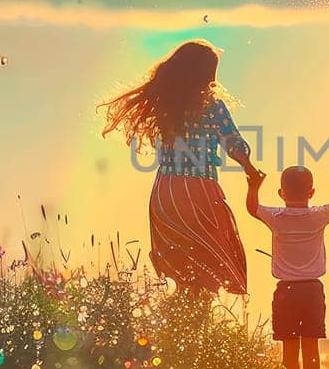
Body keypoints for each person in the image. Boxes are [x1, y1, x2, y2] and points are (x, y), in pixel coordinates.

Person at [100, 40, 255, 297]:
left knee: (181, 267)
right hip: (199, 190)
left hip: (166, 191)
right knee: (211, 262)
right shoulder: (213, 106)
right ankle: (198, 326)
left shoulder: (166, 103)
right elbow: (233, 142)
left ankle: (178, 323)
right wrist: (249, 167)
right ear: (205, 72)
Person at [246, 164, 329, 369]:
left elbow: (252, 208)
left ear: (281, 193)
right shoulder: (318, 215)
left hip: (286, 291)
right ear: (311, 192)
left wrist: (253, 186)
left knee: (289, 348)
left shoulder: (276, 218)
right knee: (311, 346)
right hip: (312, 290)